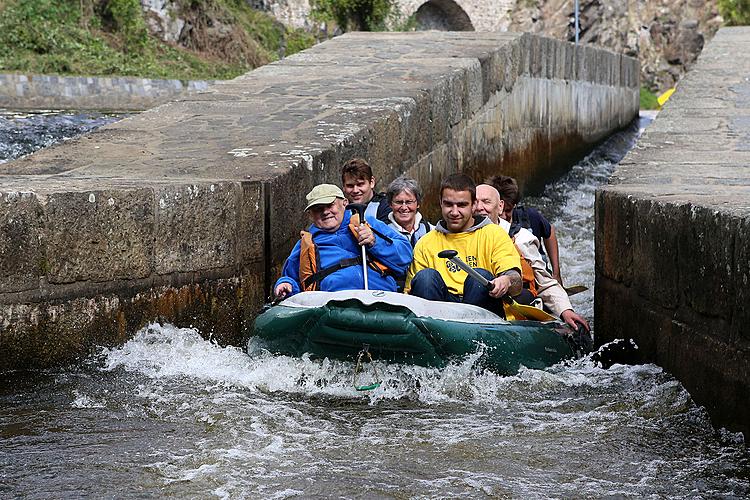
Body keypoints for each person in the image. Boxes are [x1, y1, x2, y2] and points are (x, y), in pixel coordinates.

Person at [474, 184, 589, 331]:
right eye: (475, 202)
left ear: (500, 206)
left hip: (513, 305)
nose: (479, 207)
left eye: (486, 202)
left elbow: (544, 282)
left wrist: (565, 310)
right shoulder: (460, 235)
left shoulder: (521, 238)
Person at [404, 174, 522, 315]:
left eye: (461, 205)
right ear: (441, 203)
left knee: (479, 276)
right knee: (426, 277)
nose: (454, 212)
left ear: (473, 205)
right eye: (448, 204)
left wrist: (506, 280)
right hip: (439, 313)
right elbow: (409, 293)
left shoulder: (494, 234)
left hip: (484, 312)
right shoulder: (425, 242)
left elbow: (516, 282)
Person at [274, 184, 412, 299]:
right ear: (310, 215)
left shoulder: (367, 224)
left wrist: (375, 242)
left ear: (344, 203)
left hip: (380, 295)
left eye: (330, 205)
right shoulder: (306, 243)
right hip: (335, 303)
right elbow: (290, 277)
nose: (325, 212)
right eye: (318, 209)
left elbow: (405, 254)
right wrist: (286, 285)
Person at [486, 175, 563, 286]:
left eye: (507, 210)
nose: (502, 215)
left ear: (515, 206)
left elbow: (549, 232)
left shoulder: (530, 216)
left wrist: (556, 273)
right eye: (499, 210)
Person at [385, 177, 434, 247]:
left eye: (409, 202)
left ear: (418, 204)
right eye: (398, 202)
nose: (404, 208)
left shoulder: (430, 230)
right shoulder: (383, 232)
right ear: (390, 204)